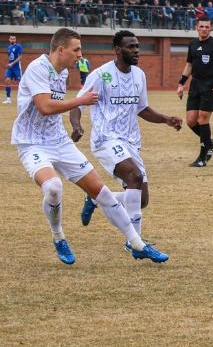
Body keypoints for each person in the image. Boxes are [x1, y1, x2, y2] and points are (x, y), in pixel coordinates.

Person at [11, 28, 168, 264]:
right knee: (53, 188)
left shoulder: (62, 72)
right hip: (31, 142)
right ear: (61, 49)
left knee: (102, 193)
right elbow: (44, 106)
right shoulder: (37, 68)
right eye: (76, 50)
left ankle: (137, 244)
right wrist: (79, 102)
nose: (80, 55)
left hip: (59, 141)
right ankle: (58, 237)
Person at [69, 31, 183, 245]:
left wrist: (167, 119)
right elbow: (78, 104)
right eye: (131, 46)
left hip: (131, 141)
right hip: (105, 139)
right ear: (117, 49)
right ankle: (135, 243)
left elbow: (142, 109)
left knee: (141, 199)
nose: (136, 50)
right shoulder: (101, 75)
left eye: (137, 46)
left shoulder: (139, 75)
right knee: (134, 176)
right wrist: (77, 126)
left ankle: (96, 199)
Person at [176, 18, 213, 167]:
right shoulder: (193, 44)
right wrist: (181, 84)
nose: (204, 29)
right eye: (201, 26)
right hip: (195, 84)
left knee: (202, 119)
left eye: (207, 27)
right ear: (197, 28)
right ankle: (210, 142)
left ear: (210, 29)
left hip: (210, 85)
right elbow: (189, 65)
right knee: (190, 121)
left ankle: (202, 158)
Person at [5, 35, 22, 104]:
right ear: (9, 39)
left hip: (17, 67)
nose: (12, 40)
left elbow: (20, 57)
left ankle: (22, 98)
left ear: (15, 40)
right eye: (11, 39)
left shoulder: (18, 46)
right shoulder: (9, 47)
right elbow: (10, 58)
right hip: (10, 68)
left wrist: (12, 64)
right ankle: (8, 99)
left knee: (20, 82)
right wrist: (9, 64)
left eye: (14, 39)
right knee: (7, 80)